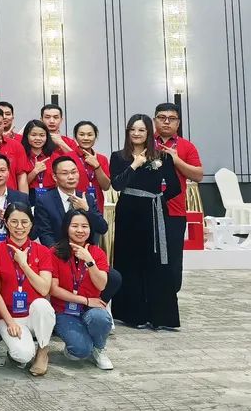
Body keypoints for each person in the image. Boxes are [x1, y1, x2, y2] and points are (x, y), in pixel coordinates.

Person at [109, 114, 181, 329]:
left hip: (153, 212)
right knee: (129, 260)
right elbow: (117, 185)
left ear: (149, 132)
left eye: (141, 130)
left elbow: (175, 187)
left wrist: (157, 199)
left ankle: (160, 317)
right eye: (132, 129)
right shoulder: (118, 156)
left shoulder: (162, 156)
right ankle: (133, 315)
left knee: (156, 261)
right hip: (128, 212)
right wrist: (134, 164)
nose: (136, 133)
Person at [0, 202, 56, 375]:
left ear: (31, 224)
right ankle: (20, 350)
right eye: (14, 221)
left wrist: (24, 265)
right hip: (9, 316)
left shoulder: (42, 251)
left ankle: (43, 350)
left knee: (43, 305)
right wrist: (10, 322)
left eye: (24, 222)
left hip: (33, 313)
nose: (19, 227)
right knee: (22, 355)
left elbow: (44, 289)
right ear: (6, 223)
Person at [50, 209, 116, 370]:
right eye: (75, 226)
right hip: (64, 310)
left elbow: (101, 285)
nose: (80, 230)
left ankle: (99, 349)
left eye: (84, 226)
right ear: (66, 227)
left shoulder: (97, 253)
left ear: (90, 229)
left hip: (91, 310)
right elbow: (53, 289)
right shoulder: (54, 252)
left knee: (101, 318)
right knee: (80, 350)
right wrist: (85, 300)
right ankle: (81, 345)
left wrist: (90, 261)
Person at [154, 102, 203, 293]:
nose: (166, 122)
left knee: (173, 258)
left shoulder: (186, 146)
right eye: (162, 118)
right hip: (147, 211)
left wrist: (176, 160)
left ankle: (170, 297)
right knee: (149, 257)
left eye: (171, 118)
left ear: (178, 122)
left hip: (174, 212)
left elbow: (198, 175)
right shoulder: (146, 143)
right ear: (155, 120)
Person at [33, 157, 108, 246]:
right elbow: (45, 235)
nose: (71, 177)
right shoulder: (44, 201)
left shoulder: (88, 199)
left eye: (74, 172)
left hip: (85, 251)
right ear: (54, 177)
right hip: (57, 251)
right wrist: (60, 253)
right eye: (65, 173)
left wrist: (87, 210)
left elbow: (102, 228)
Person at [21, 119, 83, 205]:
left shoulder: (54, 156)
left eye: (42, 135)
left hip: (53, 196)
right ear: (27, 136)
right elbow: (19, 184)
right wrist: (34, 172)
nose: (38, 138)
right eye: (33, 135)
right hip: (31, 196)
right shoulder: (22, 155)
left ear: (47, 137)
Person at [73, 120, 112, 212]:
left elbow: (106, 186)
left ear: (95, 137)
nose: (86, 138)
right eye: (81, 134)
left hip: (96, 206)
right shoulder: (68, 157)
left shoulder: (102, 159)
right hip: (75, 205)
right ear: (75, 137)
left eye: (90, 135)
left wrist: (97, 166)